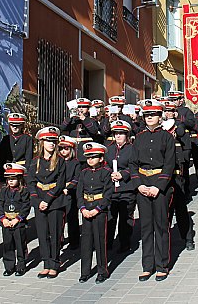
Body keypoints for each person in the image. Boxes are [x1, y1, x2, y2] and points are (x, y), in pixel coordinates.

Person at [130, 99, 176, 282]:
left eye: (153, 115)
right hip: (142, 184)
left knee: (161, 226)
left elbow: (170, 164)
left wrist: (158, 187)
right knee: (146, 227)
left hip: (160, 186)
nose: (149, 118)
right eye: (147, 115)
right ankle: (147, 266)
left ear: (160, 117)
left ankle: (162, 265)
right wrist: (139, 185)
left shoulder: (167, 137)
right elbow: (133, 164)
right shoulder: (139, 138)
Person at [29, 126, 67, 279]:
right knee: (42, 233)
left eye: (53, 141)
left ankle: (54, 263)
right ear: (41, 142)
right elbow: (30, 182)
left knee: (55, 233)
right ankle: (46, 262)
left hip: (55, 201)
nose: (51, 144)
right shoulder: (35, 162)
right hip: (39, 202)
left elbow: (60, 183)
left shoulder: (60, 161)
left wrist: (47, 200)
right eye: (48, 141)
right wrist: (38, 201)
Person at [78, 142, 114, 284]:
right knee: (86, 241)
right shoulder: (84, 172)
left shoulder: (106, 172)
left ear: (101, 158)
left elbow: (108, 194)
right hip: (86, 208)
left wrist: (97, 209)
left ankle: (102, 271)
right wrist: (82, 208)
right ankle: (85, 272)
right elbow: (79, 193)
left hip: (99, 210)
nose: (90, 160)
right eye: (88, 157)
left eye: (93, 157)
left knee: (100, 241)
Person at [163, 101, 195, 251]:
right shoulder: (158, 128)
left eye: (170, 110)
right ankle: (165, 240)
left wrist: (175, 121)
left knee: (181, 209)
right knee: (165, 212)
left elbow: (182, 131)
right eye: (166, 110)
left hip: (176, 176)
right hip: (163, 178)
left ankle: (188, 238)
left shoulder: (177, 125)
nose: (168, 112)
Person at [105, 120, 137, 253]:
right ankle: (108, 243)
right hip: (111, 189)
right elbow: (104, 164)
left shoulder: (132, 149)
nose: (118, 136)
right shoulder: (108, 148)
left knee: (125, 218)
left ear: (127, 135)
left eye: (121, 133)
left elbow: (135, 166)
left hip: (126, 188)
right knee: (110, 217)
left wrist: (123, 174)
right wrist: (109, 174)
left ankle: (125, 243)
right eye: (116, 133)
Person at [0, 163, 30, 277]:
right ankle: (9, 266)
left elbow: (26, 206)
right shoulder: (4, 191)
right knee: (7, 245)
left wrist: (18, 219)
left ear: (19, 179)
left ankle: (21, 266)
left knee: (20, 245)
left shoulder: (24, 191)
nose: (10, 181)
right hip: (6, 222)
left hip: (18, 223)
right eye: (8, 179)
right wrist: (2, 218)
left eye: (13, 178)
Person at [0, 113, 34, 186]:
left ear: (22, 125)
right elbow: (1, 160)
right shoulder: (5, 139)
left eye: (17, 125)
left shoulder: (27, 139)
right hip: (7, 174)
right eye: (12, 125)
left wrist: (26, 178)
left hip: (21, 174)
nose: (15, 127)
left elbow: (29, 159)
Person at [61, 98, 102, 162]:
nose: (81, 109)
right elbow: (62, 128)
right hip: (72, 152)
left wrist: (84, 119)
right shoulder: (72, 120)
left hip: (84, 152)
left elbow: (94, 131)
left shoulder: (91, 120)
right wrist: (70, 117)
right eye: (79, 107)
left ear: (88, 109)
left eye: (84, 107)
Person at [59, 135, 81, 250]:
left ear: (71, 149)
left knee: (72, 217)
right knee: (59, 218)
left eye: (66, 148)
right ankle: (60, 239)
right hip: (59, 191)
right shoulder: (57, 162)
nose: (63, 151)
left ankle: (74, 241)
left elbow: (77, 178)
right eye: (61, 148)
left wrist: (69, 187)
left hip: (71, 193)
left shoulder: (75, 163)